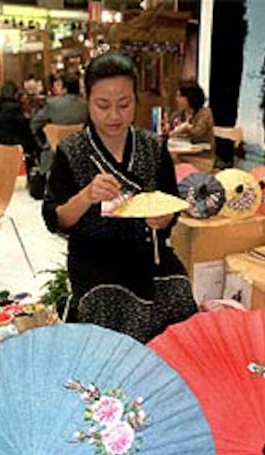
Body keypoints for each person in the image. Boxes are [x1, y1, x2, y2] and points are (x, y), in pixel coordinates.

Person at [42, 52, 197, 343]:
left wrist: (164, 219)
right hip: (95, 261)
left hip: (150, 256)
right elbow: (56, 218)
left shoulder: (153, 147)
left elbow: (171, 204)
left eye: (124, 105)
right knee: (110, 310)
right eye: (103, 105)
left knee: (180, 296)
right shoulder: (72, 150)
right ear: (88, 99)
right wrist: (86, 196)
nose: (114, 115)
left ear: (135, 101)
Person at [31, 72, 88, 174]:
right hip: (83, 155)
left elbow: (35, 124)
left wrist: (44, 142)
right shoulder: (86, 105)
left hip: (54, 156)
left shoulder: (53, 104)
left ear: (64, 88)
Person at [0, 80, 39, 177]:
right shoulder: (13, 107)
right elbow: (23, 125)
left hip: (0, 139)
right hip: (14, 141)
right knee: (34, 139)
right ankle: (34, 167)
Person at [167, 80, 215, 172]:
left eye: (180, 96)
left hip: (201, 158)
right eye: (177, 96)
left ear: (190, 97)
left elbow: (198, 133)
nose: (177, 99)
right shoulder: (178, 114)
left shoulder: (205, 113)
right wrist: (167, 129)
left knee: (171, 165)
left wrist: (186, 129)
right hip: (181, 155)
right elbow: (170, 131)